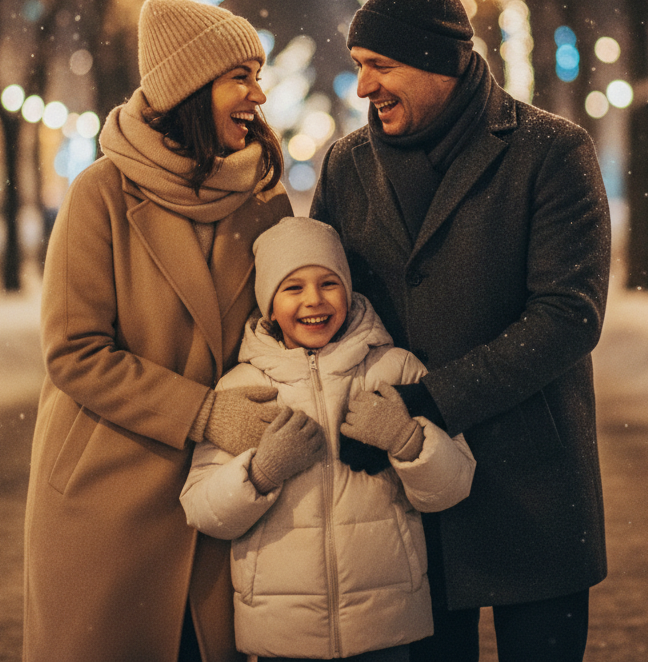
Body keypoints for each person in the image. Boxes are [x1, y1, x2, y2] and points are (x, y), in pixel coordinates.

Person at [310, 0, 611, 662]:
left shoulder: (551, 151)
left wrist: (432, 400)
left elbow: (569, 316)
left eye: (380, 66)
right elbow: (333, 308)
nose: (363, 89)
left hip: (532, 487)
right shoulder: (346, 164)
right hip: (407, 491)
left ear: (439, 62)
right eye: (359, 68)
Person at [23, 0, 293, 662]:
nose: (259, 93)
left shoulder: (262, 198)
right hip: (109, 489)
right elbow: (75, 352)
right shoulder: (102, 193)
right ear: (192, 87)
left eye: (258, 75)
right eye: (241, 76)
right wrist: (201, 413)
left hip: (221, 496)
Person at [179, 216, 476, 662]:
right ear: (269, 304)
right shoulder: (242, 387)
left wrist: (407, 439)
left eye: (329, 283)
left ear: (350, 290)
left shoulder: (395, 369)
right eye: (292, 288)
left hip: (386, 625)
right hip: (283, 633)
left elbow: (454, 485)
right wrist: (260, 473)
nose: (313, 300)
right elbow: (201, 508)